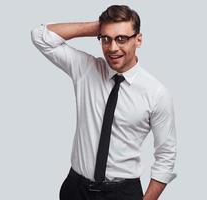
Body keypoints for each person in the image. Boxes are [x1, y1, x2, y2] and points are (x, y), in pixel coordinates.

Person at [31, 5, 177, 200]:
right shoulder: (86, 69)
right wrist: (97, 27)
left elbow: (166, 155)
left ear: (138, 40)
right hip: (76, 189)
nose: (113, 48)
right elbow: (41, 36)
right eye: (106, 39)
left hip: (122, 193)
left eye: (121, 39)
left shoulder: (156, 93)